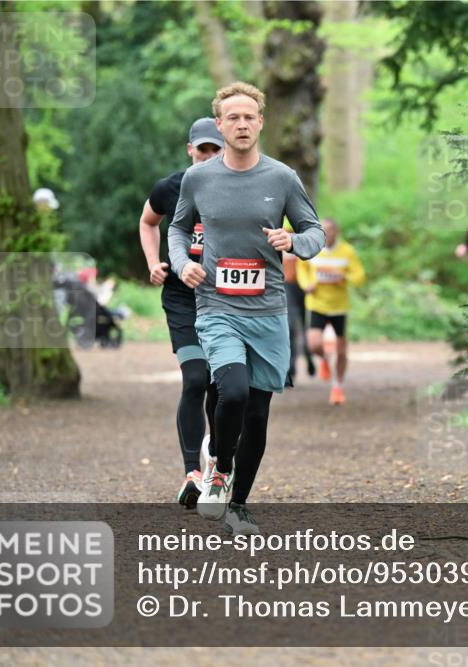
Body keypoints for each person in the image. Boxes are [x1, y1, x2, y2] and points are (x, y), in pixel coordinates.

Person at [168, 82, 325, 535]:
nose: (241, 124)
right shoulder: (198, 178)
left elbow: (316, 232)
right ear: (219, 124)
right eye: (232, 117)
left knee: (257, 412)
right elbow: (177, 230)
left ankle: (238, 505)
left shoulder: (281, 177)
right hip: (216, 305)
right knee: (231, 390)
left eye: (249, 117)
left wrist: (293, 241)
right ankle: (218, 465)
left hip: (269, 310)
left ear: (260, 122)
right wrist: (182, 264)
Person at [139, 117, 223, 508]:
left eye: (214, 150)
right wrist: (154, 261)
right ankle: (192, 472)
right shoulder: (170, 187)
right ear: (190, 149)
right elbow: (147, 221)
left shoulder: (240, 187)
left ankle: (217, 464)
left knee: (220, 386)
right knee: (195, 377)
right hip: (181, 297)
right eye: (201, 149)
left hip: (226, 298)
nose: (207, 157)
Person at [297, 218, 366, 405]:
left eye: (330, 230)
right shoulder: (313, 249)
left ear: (337, 232)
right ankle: (325, 359)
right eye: (323, 230)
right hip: (317, 304)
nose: (327, 234)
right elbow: (301, 268)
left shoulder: (347, 251)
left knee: (342, 350)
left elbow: (359, 276)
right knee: (313, 345)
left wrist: (344, 276)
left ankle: (337, 387)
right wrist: (306, 284)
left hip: (339, 306)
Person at [282, 248, 315, 383]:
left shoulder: (305, 236)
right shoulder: (276, 235)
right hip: (288, 287)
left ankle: (308, 356)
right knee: (291, 328)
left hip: (306, 288)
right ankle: (291, 368)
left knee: (306, 326)